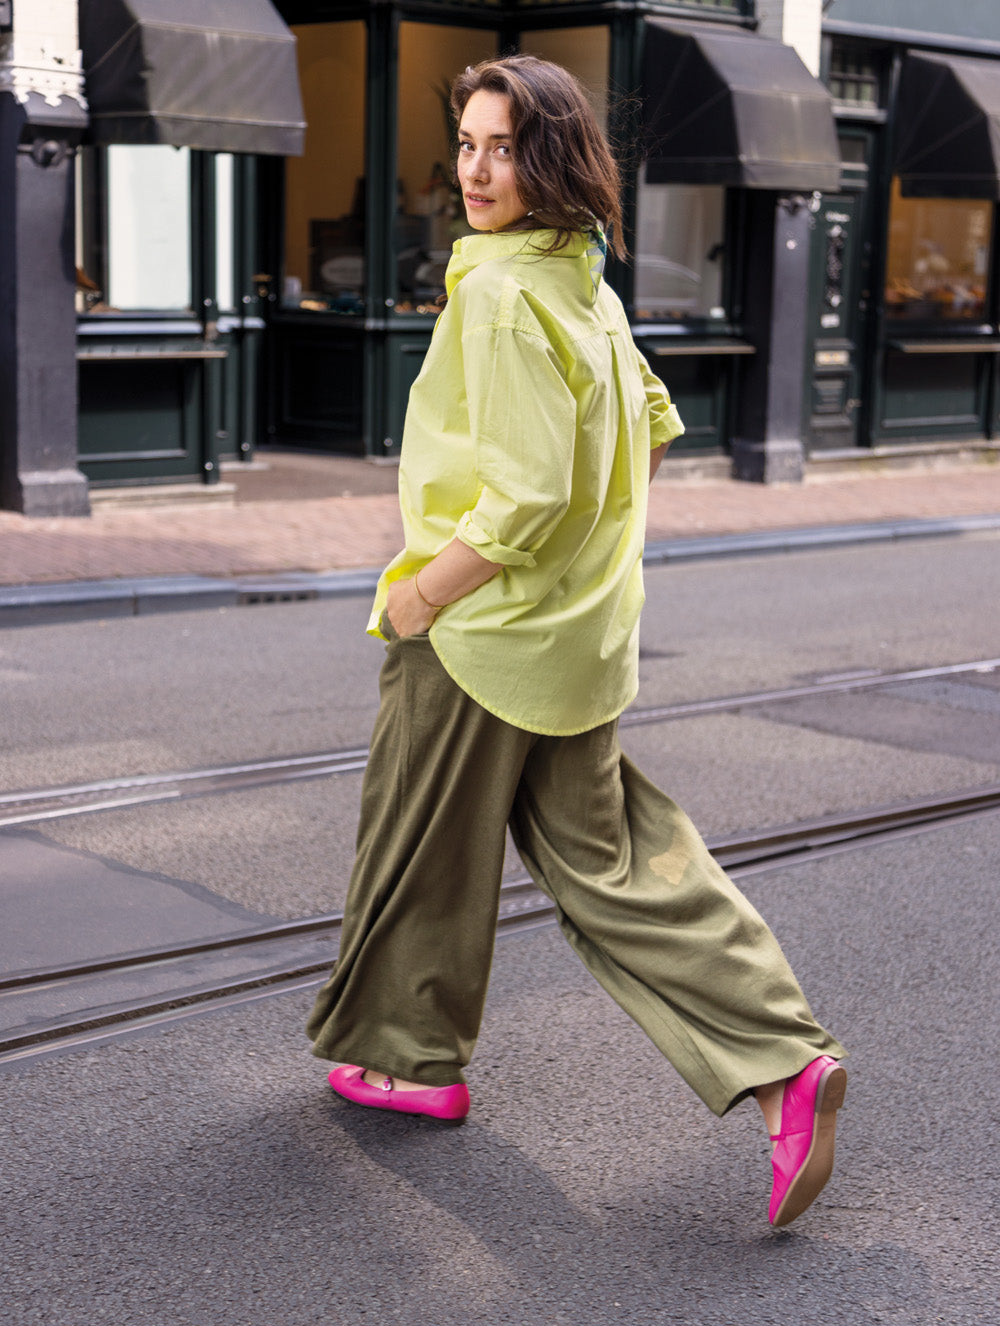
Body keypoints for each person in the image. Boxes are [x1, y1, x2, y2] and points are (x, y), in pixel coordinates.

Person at [306, 54, 847, 1228]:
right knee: (621, 865)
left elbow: (528, 495)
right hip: (577, 642)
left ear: (550, 158)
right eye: (466, 144)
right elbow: (649, 426)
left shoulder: (501, 292)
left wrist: (421, 597)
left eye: (504, 148)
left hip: (479, 636)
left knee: (420, 848)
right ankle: (782, 1064)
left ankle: (407, 1060)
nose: (476, 170)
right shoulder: (581, 279)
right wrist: (589, 565)